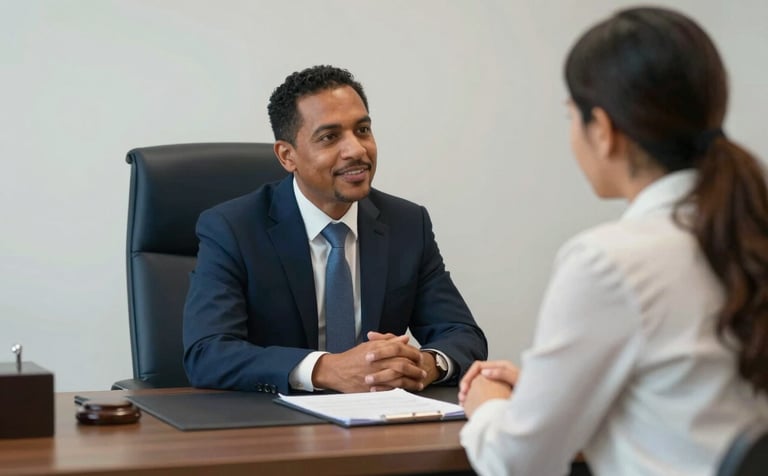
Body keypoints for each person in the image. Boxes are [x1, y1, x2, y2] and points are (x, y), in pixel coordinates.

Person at [458, 7, 768, 476]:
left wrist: (488, 405)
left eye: (571, 117)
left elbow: (516, 462)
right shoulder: (746, 229)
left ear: (602, 131)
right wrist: (549, 393)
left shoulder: (608, 262)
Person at [182, 65, 487, 395]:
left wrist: (423, 365)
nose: (356, 150)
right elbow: (207, 352)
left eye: (363, 130)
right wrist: (325, 369)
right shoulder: (232, 228)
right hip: (275, 418)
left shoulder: (407, 223)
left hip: (380, 415)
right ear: (287, 156)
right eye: (329, 137)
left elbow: (463, 335)